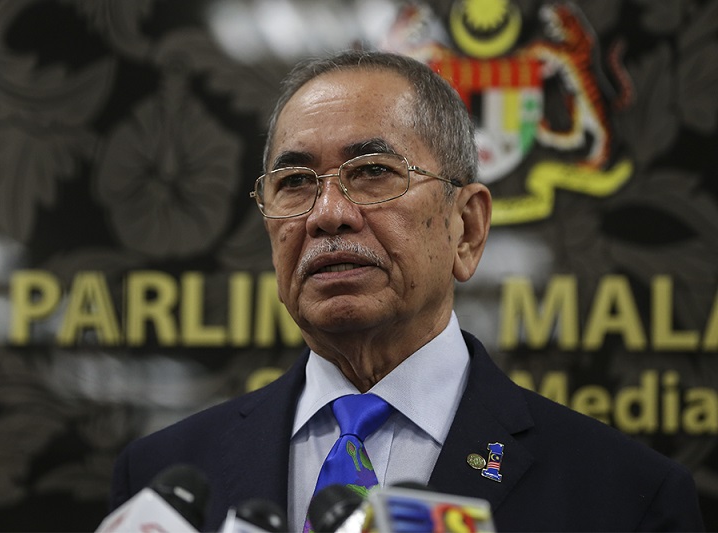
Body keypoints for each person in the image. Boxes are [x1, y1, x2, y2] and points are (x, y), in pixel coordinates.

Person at [109, 50, 704, 532]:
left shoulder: (625, 495)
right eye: (294, 182)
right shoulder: (159, 479)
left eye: (373, 172)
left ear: (466, 227)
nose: (328, 214)